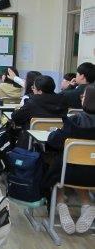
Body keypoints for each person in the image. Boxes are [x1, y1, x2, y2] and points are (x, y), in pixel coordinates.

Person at [45, 83, 95, 234]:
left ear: (88, 100)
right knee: (85, 167)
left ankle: (61, 205)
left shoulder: (74, 121)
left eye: (84, 95)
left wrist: (55, 133)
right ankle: (87, 206)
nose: (81, 97)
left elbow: (54, 141)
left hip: (70, 174)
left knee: (57, 165)